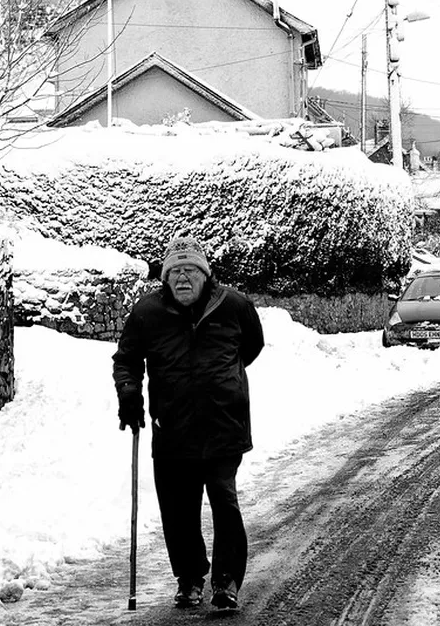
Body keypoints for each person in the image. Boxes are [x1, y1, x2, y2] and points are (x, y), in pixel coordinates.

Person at [112, 236, 265, 611]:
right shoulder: (147, 313)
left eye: (190, 271)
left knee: (224, 502)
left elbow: (252, 347)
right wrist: (129, 392)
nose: (183, 278)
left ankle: (226, 581)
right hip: (172, 429)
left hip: (223, 426)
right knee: (178, 510)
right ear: (166, 277)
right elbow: (126, 358)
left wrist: (224, 382)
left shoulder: (234, 305)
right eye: (175, 272)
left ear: (205, 274)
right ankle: (190, 578)